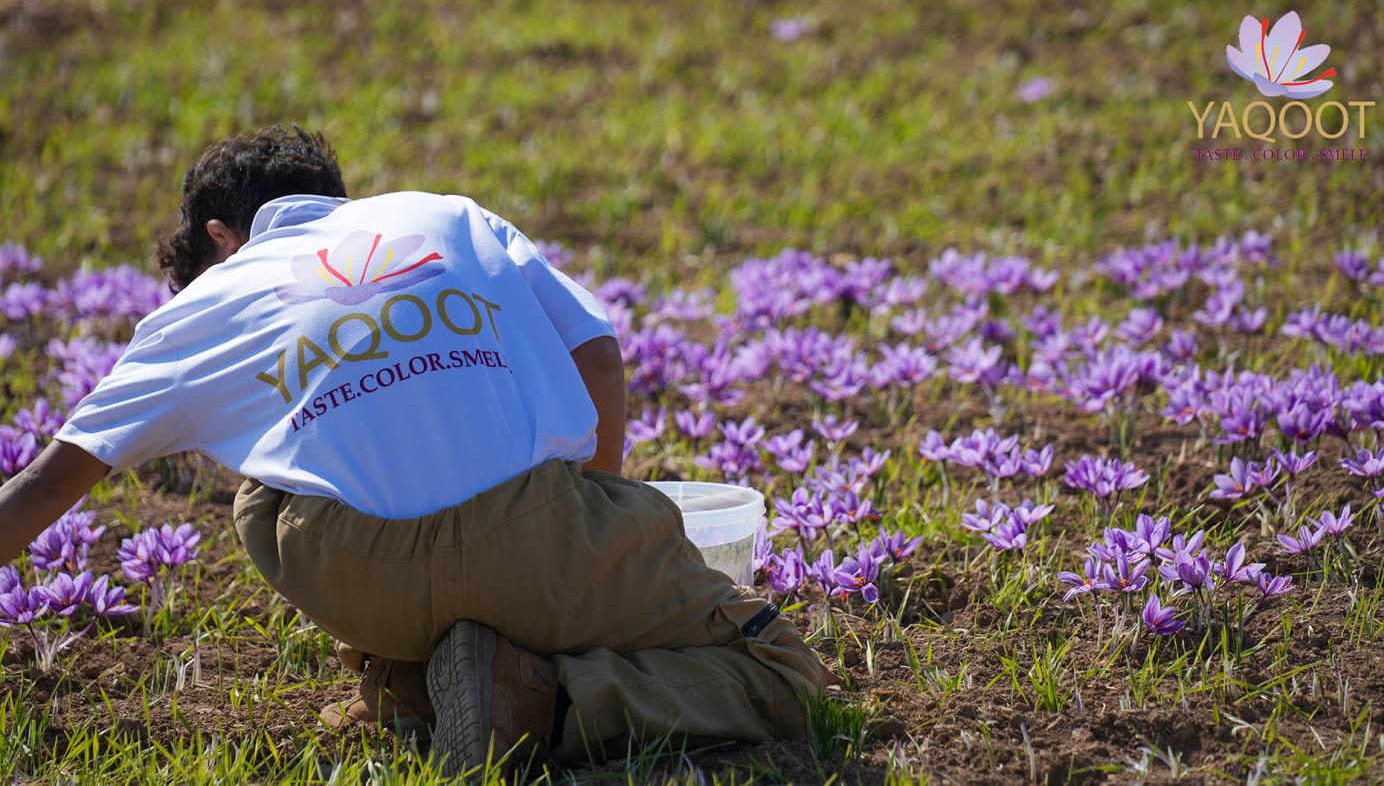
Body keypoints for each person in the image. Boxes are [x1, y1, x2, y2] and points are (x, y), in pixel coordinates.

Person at [0, 125, 831, 773]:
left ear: (221, 237)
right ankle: (541, 705)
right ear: (334, 199)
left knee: (266, 480)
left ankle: (408, 679)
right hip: (539, 541)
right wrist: (586, 522)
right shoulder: (447, 215)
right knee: (785, 671)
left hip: (358, 580)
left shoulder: (204, 305)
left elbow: (41, 487)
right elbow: (601, 354)